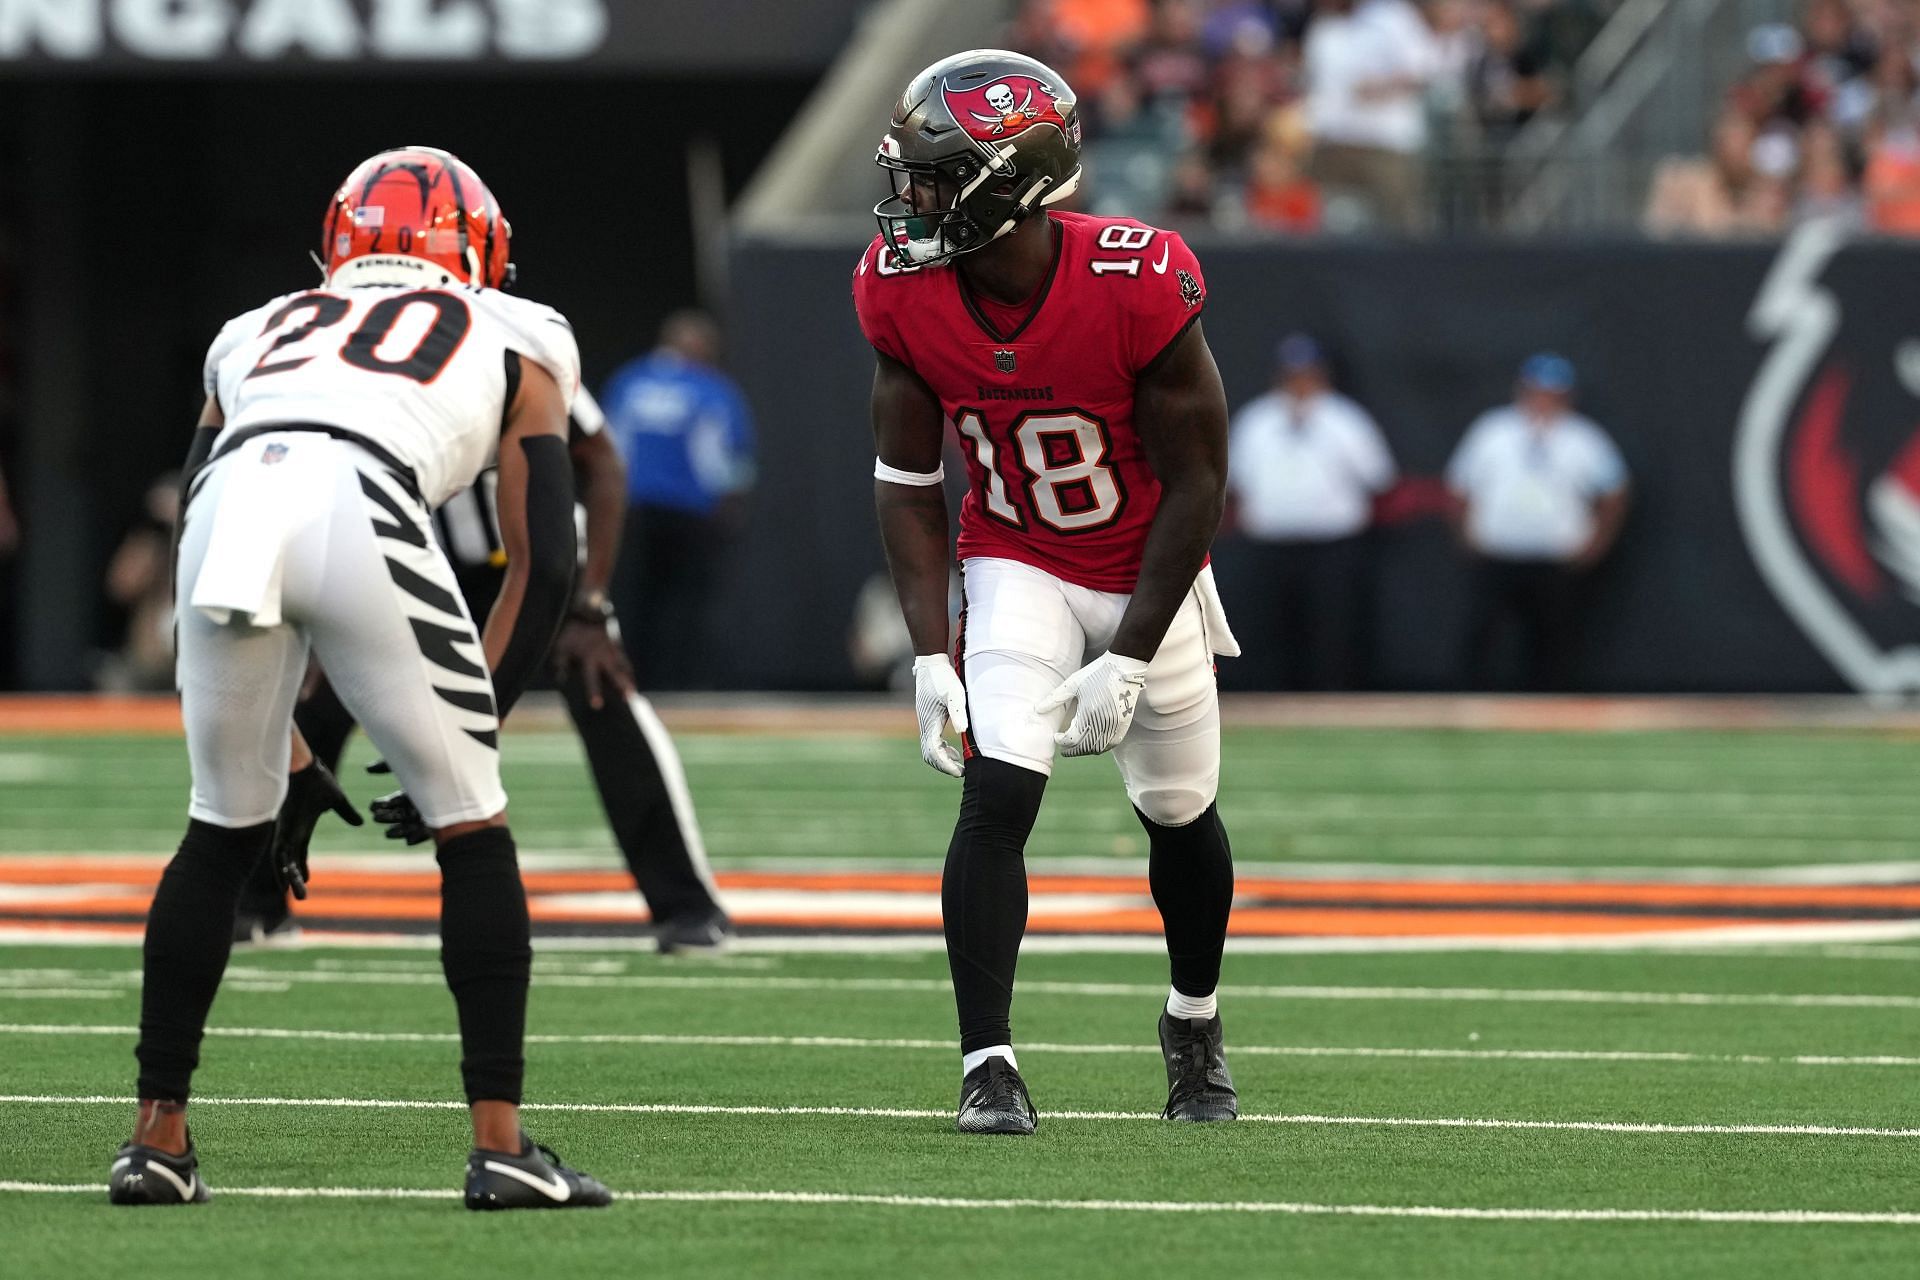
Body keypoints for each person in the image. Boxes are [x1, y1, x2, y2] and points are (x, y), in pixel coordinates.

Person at [110, 146, 610, 1209]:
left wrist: (285, 744)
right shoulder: (523, 331)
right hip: (366, 497)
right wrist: (477, 724)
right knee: (473, 827)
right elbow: (548, 560)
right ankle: (504, 1145)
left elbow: (209, 502)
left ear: (336, 244)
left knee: (217, 827)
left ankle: (157, 1136)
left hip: (235, 502)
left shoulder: (252, 327)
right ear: (481, 248)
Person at [855, 50, 1241, 1135]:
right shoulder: (901, 291)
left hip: (1146, 568)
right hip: (1016, 553)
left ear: (1004, 181)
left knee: (1177, 810)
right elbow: (907, 483)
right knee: (999, 794)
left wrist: (1131, 646)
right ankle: (988, 1061)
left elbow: (1200, 482)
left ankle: (1194, 1020)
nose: (911, 202)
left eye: (932, 179)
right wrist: (930, 649)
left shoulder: (1137, 278)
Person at [232, 383, 732, 954]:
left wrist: (591, 603)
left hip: (532, 559)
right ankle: (257, 903)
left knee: (601, 694)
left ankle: (687, 905)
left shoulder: (512, 340)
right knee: (315, 701)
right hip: (411, 562)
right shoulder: (351, 356)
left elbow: (602, 461)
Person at [1446, 353, 1629, 691]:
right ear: (1522, 390)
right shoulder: (1492, 430)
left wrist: (1596, 543)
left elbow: (1615, 491)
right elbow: (1460, 484)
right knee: (1480, 636)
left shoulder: (1585, 439)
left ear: (1567, 396)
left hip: (1555, 559)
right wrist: (1464, 533)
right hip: (1497, 553)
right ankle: (1469, 708)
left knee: (1553, 641)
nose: (1542, 400)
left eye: (1552, 393)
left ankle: (1552, 712)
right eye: (1536, 391)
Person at [1225, 334, 1395, 690]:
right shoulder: (1257, 420)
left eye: (1307, 373)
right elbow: (1235, 480)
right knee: (1267, 627)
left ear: (1322, 375)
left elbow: (1378, 477)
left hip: (1330, 546)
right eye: (1293, 373)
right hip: (1270, 546)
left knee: (1331, 629)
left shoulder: (1346, 420)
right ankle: (1269, 701)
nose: (1300, 382)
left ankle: (1330, 700)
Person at [599, 311, 755, 689]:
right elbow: (732, 460)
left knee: (632, 601)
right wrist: (732, 505)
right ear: (700, 348)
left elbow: (605, 448)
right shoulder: (711, 388)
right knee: (685, 606)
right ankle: (678, 689)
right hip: (692, 514)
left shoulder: (628, 381)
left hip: (632, 511)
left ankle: (627, 681)